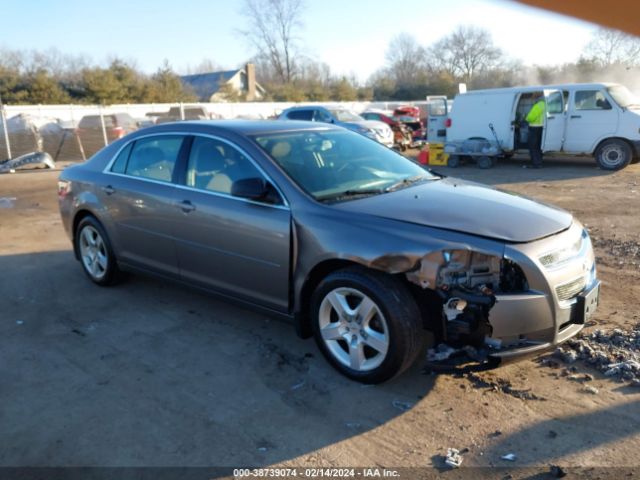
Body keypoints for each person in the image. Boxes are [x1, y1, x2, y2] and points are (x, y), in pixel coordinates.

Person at [525, 94, 545, 168]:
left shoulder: (538, 105)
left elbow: (530, 117)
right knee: (538, 146)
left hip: (534, 128)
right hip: (542, 128)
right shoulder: (546, 105)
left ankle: (536, 164)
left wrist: (526, 119)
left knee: (533, 147)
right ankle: (539, 161)